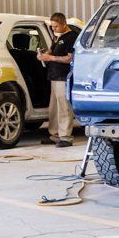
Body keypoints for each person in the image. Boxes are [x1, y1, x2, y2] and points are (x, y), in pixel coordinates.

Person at [35, 12, 77, 147]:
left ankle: (66, 137)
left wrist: (51, 58)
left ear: (64, 24)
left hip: (63, 77)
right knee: (53, 108)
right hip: (53, 76)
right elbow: (52, 51)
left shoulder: (71, 37)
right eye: (52, 27)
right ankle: (55, 135)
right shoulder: (57, 36)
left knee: (64, 108)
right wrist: (44, 54)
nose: (54, 29)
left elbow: (70, 58)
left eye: (56, 27)